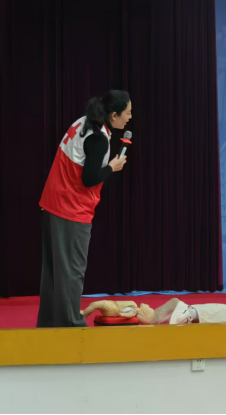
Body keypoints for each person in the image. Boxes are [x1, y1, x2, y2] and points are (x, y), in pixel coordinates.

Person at [37, 90, 132, 328]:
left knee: (53, 271)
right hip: (70, 209)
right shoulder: (99, 138)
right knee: (72, 271)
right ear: (114, 115)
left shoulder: (83, 122)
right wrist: (112, 167)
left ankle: (48, 325)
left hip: (53, 203)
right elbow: (89, 179)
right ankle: (71, 326)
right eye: (128, 112)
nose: (130, 117)